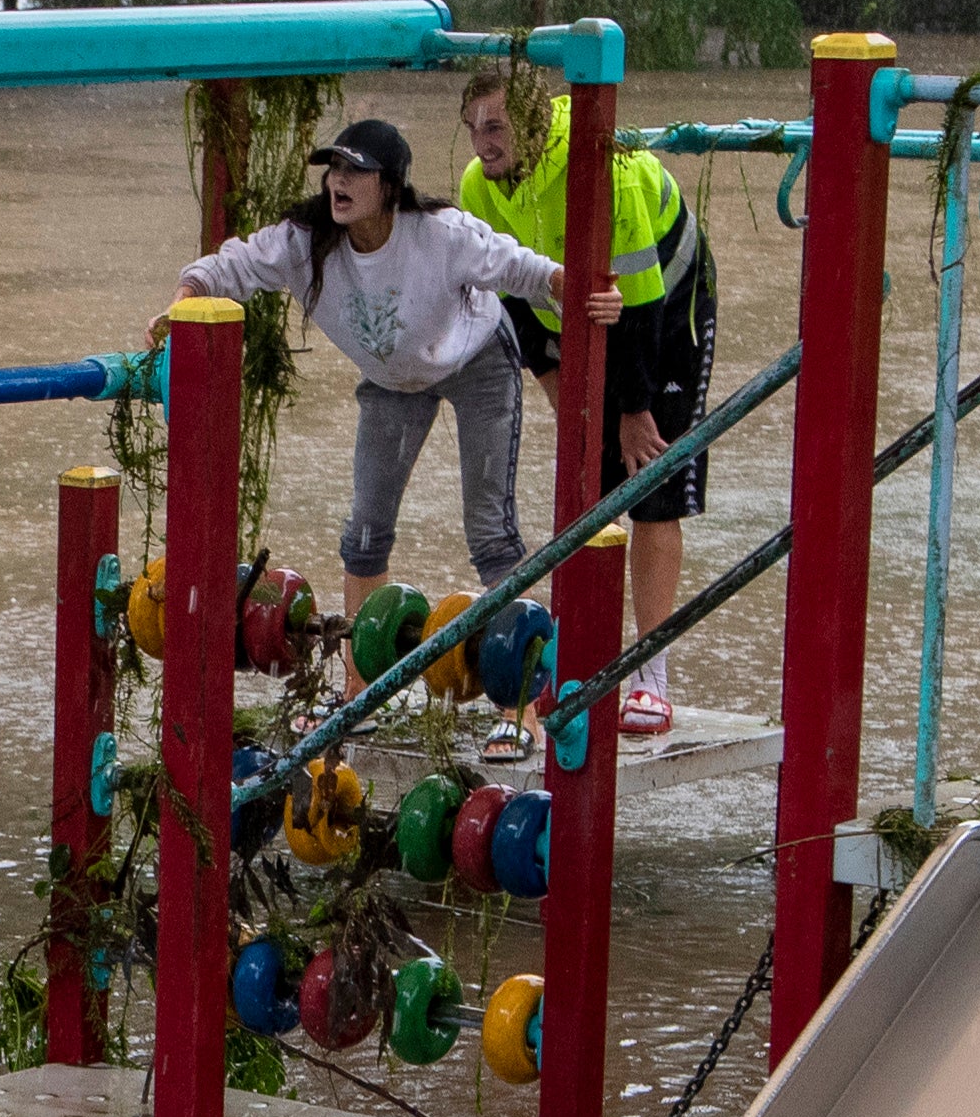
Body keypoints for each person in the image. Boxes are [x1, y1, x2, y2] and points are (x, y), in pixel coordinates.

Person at [172, 116, 617, 760]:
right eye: (333, 169)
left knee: (491, 534)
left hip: (477, 362)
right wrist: (183, 295)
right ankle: (359, 696)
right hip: (390, 381)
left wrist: (582, 292)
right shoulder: (307, 243)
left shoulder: (440, 235)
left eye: (355, 171)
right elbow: (231, 265)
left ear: (390, 185)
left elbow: (522, 268)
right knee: (363, 533)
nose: (338, 182)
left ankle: (518, 708)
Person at [457, 73, 714, 736]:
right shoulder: (475, 188)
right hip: (577, 311)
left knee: (651, 482)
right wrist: (549, 377)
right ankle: (581, 665)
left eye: (497, 130)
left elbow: (645, 302)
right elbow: (506, 294)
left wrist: (632, 410)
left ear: (534, 129)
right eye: (474, 130)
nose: (483, 146)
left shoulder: (605, 167)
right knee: (585, 490)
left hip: (667, 300)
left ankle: (651, 675)